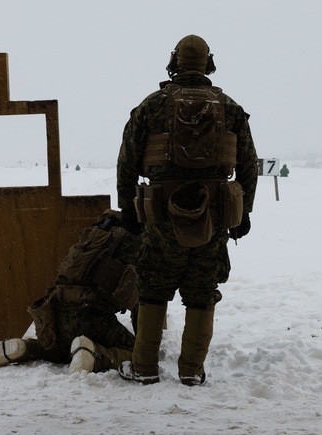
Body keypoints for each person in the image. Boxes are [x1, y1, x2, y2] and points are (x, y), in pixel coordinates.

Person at [116, 34, 258, 386]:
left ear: (174, 62)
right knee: (202, 290)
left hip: (161, 216)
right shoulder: (229, 107)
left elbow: (127, 160)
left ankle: (145, 368)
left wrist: (127, 207)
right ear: (208, 64)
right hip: (213, 216)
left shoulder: (152, 106)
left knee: (152, 289)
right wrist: (246, 213)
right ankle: (192, 370)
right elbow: (248, 165)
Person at [0, 209, 140, 374]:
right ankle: (93, 354)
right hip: (91, 315)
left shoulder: (89, 238)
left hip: (55, 314)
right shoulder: (133, 245)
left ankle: (25, 348)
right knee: (139, 353)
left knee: (57, 349)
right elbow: (142, 298)